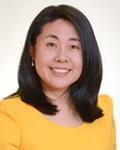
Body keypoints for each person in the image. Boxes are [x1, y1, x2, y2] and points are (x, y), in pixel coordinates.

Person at [0, 4, 116, 150]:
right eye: (51, 44)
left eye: (73, 46)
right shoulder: (9, 115)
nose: (62, 57)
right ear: (32, 50)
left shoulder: (104, 110)